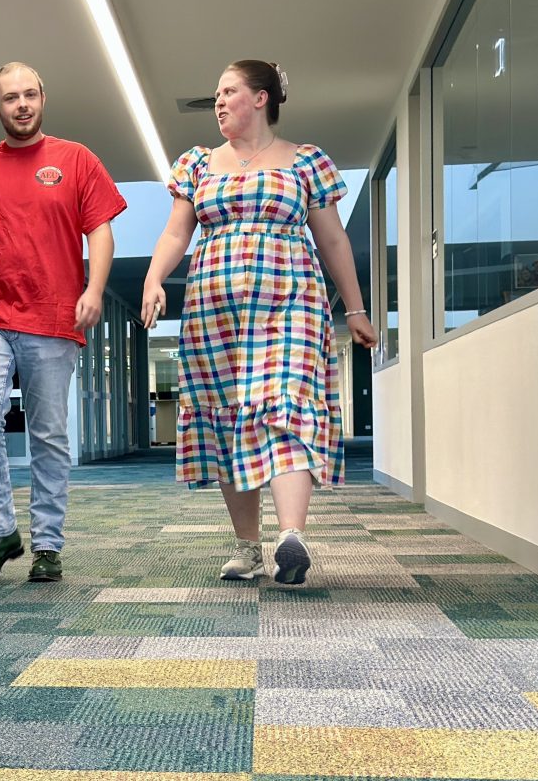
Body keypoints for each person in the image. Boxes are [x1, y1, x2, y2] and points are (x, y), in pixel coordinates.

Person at [140, 60, 377, 585]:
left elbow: (332, 239)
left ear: (262, 98)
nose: (219, 102)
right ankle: (248, 547)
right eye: (217, 94)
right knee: (228, 415)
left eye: (229, 92)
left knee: (287, 400)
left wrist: (355, 309)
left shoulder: (304, 161)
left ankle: (292, 536)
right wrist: (154, 278)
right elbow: (177, 234)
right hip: (213, 309)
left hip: (291, 300)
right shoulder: (198, 164)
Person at [0, 62, 126, 583]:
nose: (21, 105)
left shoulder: (76, 159)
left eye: (29, 95)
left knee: (48, 433)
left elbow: (102, 232)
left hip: (52, 313)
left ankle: (47, 544)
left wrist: (92, 290)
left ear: (43, 97)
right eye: (9, 98)